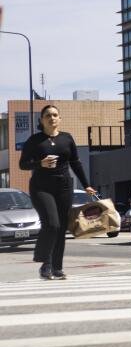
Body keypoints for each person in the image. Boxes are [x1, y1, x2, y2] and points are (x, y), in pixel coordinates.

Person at [19, 105, 95, 280]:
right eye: (47, 115)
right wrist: (40, 163)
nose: (51, 118)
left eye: (55, 115)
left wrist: (86, 185)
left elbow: (76, 163)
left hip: (64, 186)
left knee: (61, 228)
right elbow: (22, 164)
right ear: (42, 120)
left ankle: (56, 268)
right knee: (52, 224)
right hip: (41, 187)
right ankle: (44, 261)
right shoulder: (34, 140)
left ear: (59, 118)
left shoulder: (67, 138)